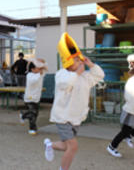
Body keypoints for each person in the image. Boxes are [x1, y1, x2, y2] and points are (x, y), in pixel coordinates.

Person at [44, 33, 104, 170]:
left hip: (76, 117)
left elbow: (100, 75)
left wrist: (91, 64)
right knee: (73, 146)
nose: (80, 62)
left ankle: (50, 145)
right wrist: (77, 72)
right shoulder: (61, 74)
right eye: (76, 60)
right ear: (68, 62)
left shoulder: (85, 77)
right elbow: (66, 83)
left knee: (66, 146)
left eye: (80, 59)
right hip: (63, 117)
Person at [19, 58, 47, 135]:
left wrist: (42, 63)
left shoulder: (39, 74)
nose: (39, 69)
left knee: (35, 114)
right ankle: (32, 129)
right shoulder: (30, 75)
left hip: (36, 98)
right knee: (33, 113)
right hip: (29, 98)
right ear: (32, 69)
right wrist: (40, 73)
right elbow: (34, 80)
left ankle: (23, 115)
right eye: (37, 68)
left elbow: (45, 69)